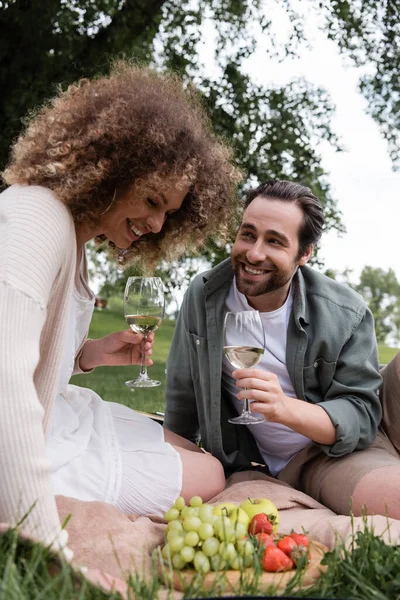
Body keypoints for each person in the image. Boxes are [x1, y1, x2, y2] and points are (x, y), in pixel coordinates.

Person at [0, 61, 242, 552]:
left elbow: (34, 348)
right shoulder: (35, 219)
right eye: (152, 200)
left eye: (168, 214)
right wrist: (41, 542)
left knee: (189, 447)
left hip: (61, 413)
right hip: (31, 440)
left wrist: (92, 354)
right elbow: (5, 377)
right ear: (109, 169)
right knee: (212, 474)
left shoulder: (70, 233)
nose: (156, 226)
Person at [165, 179, 400, 519]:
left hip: (369, 414)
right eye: (247, 234)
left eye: (274, 241)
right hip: (321, 455)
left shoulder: (345, 310)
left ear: (305, 254)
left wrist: (283, 408)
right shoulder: (205, 296)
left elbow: (362, 413)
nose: (254, 253)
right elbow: (182, 401)